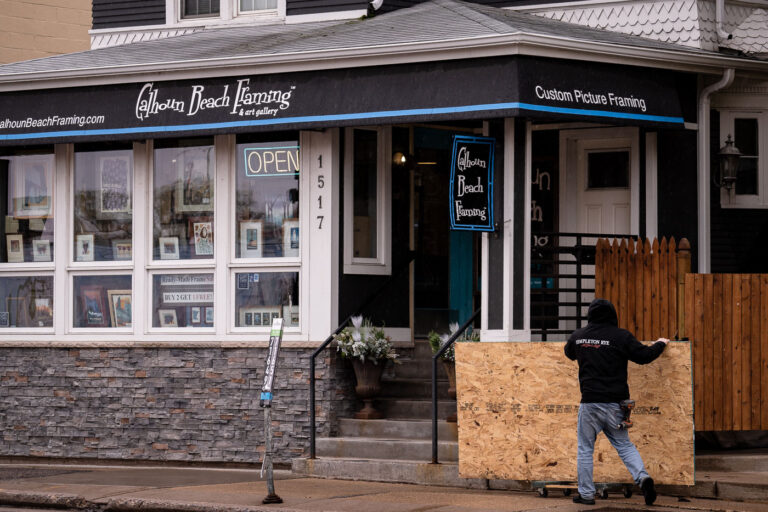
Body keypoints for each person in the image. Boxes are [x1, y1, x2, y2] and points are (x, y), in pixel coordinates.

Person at [564, 298, 669, 506]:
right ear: (613, 315)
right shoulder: (621, 337)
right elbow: (644, 356)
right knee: (624, 445)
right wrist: (660, 343)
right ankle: (643, 478)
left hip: (590, 404)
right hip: (616, 406)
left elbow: (569, 353)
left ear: (590, 315)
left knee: (585, 449)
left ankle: (586, 495)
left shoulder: (579, 337)